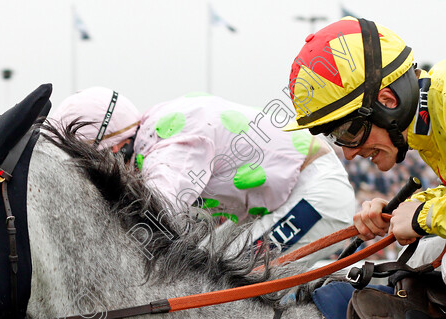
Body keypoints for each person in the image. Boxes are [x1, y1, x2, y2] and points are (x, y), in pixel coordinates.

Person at [50, 87, 356, 262]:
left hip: (315, 193)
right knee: (207, 270)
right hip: (292, 193)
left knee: (226, 283)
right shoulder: (154, 130)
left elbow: (156, 218)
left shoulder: (171, 145)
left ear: (114, 147)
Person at [284, 17, 446, 260]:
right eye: (335, 137)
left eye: (349, 131)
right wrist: (403, 209)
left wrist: (424, 214)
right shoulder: (427, 122)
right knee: (417, 258)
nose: (349, 153)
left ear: (388, 102)